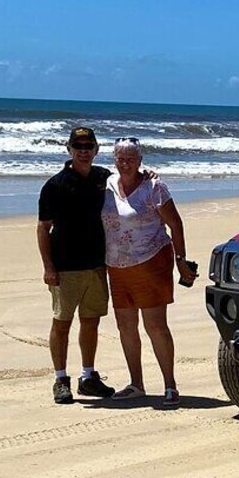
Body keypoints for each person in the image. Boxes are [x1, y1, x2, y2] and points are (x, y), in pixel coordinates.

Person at [102, 137, 197, 407]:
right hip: (117, 266)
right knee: (125, 326)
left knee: (155, 325)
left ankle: (170, 385)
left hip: (152, 262)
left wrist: (181, 260)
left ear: (141, 160)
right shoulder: (106, 184)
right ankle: (136, 384)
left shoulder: (154, 186)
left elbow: (175, 225)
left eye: (131, 158)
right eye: (121, 158)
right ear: (114, 159)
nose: (126, 163)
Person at [37, 127, 116, 404]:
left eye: (88, 145)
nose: (84, 150)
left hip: (96, 265)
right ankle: (60, 379)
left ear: (96, 149)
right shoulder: (55, 185)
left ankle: (88, 377)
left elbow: (131, 180)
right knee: (62, 323)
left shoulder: (104, 178)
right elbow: (43, 228)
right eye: (78, 145)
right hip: (65, 267)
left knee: (91, 322)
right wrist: (48, 267)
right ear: (69, 149)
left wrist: (148, 176)